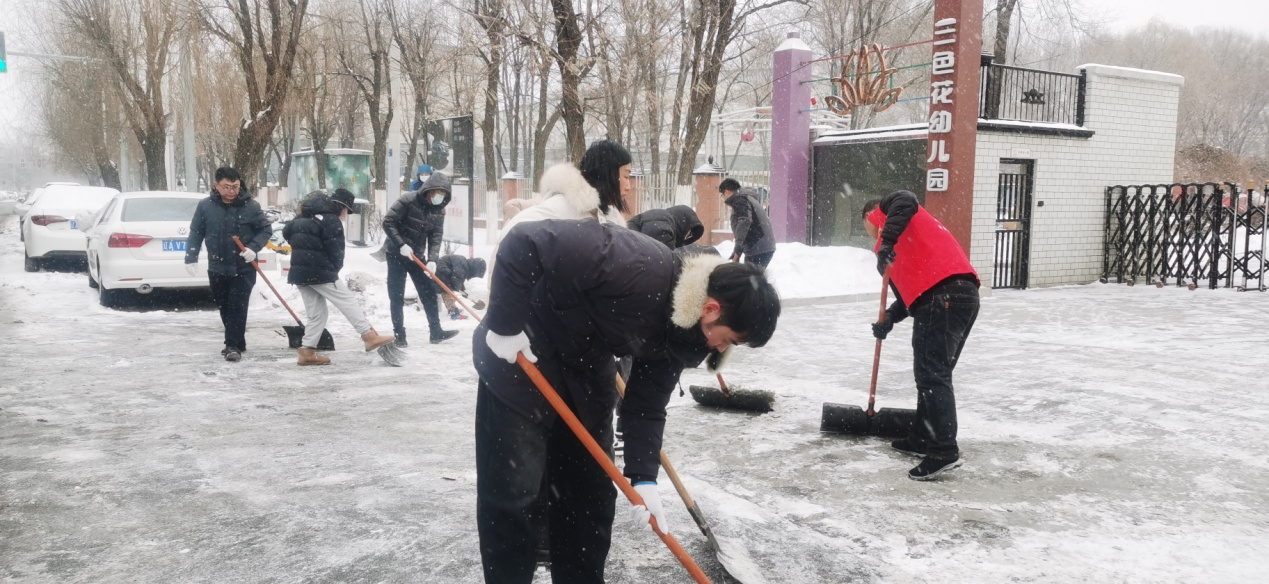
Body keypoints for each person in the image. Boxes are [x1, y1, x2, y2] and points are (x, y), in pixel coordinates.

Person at [473, 218, 781, 583]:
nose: (721, 348)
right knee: (515, 494)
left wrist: (644, 478)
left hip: (586, 371)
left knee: (589, 496)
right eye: (728, 339)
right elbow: (525, 241)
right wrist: (505, 325)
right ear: (711, 309)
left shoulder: (685, 332)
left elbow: (646, 406)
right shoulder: (635, 263)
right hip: (521, 354)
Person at [863, 191, 980, 481]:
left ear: (871, 217)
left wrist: (886, 241)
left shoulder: (895, 210)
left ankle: (943, 451)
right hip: (956, 295)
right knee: (932, 373)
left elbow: (905, 198)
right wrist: (889, 319)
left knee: (933, 376)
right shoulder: (896, 246)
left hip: (944, 297)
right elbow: (909, 297)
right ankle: (922, 438)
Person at [283, 189, 396, 365]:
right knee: (347, 301)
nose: (346, 215)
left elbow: (286, 232)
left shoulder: (303, 217)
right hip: (321, 271)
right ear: (341, 206)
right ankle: (369, 336)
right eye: (347, 211)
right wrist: (333, 270)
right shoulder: (331, 220)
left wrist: (305, 247)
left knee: (317, 314)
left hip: (299, 272)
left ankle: (306, 352)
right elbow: (336, 251)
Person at [184, 167, 271, 362]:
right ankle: (238, 340)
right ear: (216, 185)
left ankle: (231, 345)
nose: (232, 191)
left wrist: (253, 248)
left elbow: (265, 230)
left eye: (235, 187)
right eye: (227, 187)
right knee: (223, 305)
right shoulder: (205, 206)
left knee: (237, 305)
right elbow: (196, 232)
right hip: (217, 266)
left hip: (244, 266)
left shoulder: (251, 206)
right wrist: (191, 256)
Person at [382, 172, 458, 348]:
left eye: (443, 194)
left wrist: (432, 259)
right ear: (429, 191)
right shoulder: (408, 200)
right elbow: (388, 222)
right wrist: (401, 244)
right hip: (396, 253)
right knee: (397, 295)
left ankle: (436, 331)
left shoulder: (439, 210)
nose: (440, 197)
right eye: (437, 193)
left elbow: (436, 236)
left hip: (417, 255)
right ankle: (399, 335)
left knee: (428, 292)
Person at [719, 178, 776, 266]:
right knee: (751, 273)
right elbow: (746, 227)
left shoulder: (739, 199)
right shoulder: (745, 197)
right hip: (762, 246)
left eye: (722, 195)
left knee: (751, 275)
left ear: (726, 192)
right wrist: (737, 251)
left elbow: (744, 222)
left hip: (758, 247)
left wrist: (738, 249)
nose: (723, 198)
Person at [627, 204, 704, 250]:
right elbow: (661, 260)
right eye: (687, 233)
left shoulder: (663, 218)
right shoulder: (663, 222)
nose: (685, 237)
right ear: (683, 224)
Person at [433, 254, 487, 319]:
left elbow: (458, 280)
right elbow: (456, 279)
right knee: (447, 291)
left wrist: (463, 291)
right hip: (441, 271)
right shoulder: (463, 266)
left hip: (443, 271)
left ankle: (452, 309)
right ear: (475, 270)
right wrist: (459, 289)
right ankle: (453, 312)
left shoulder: (464, 266)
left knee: (448, 290)